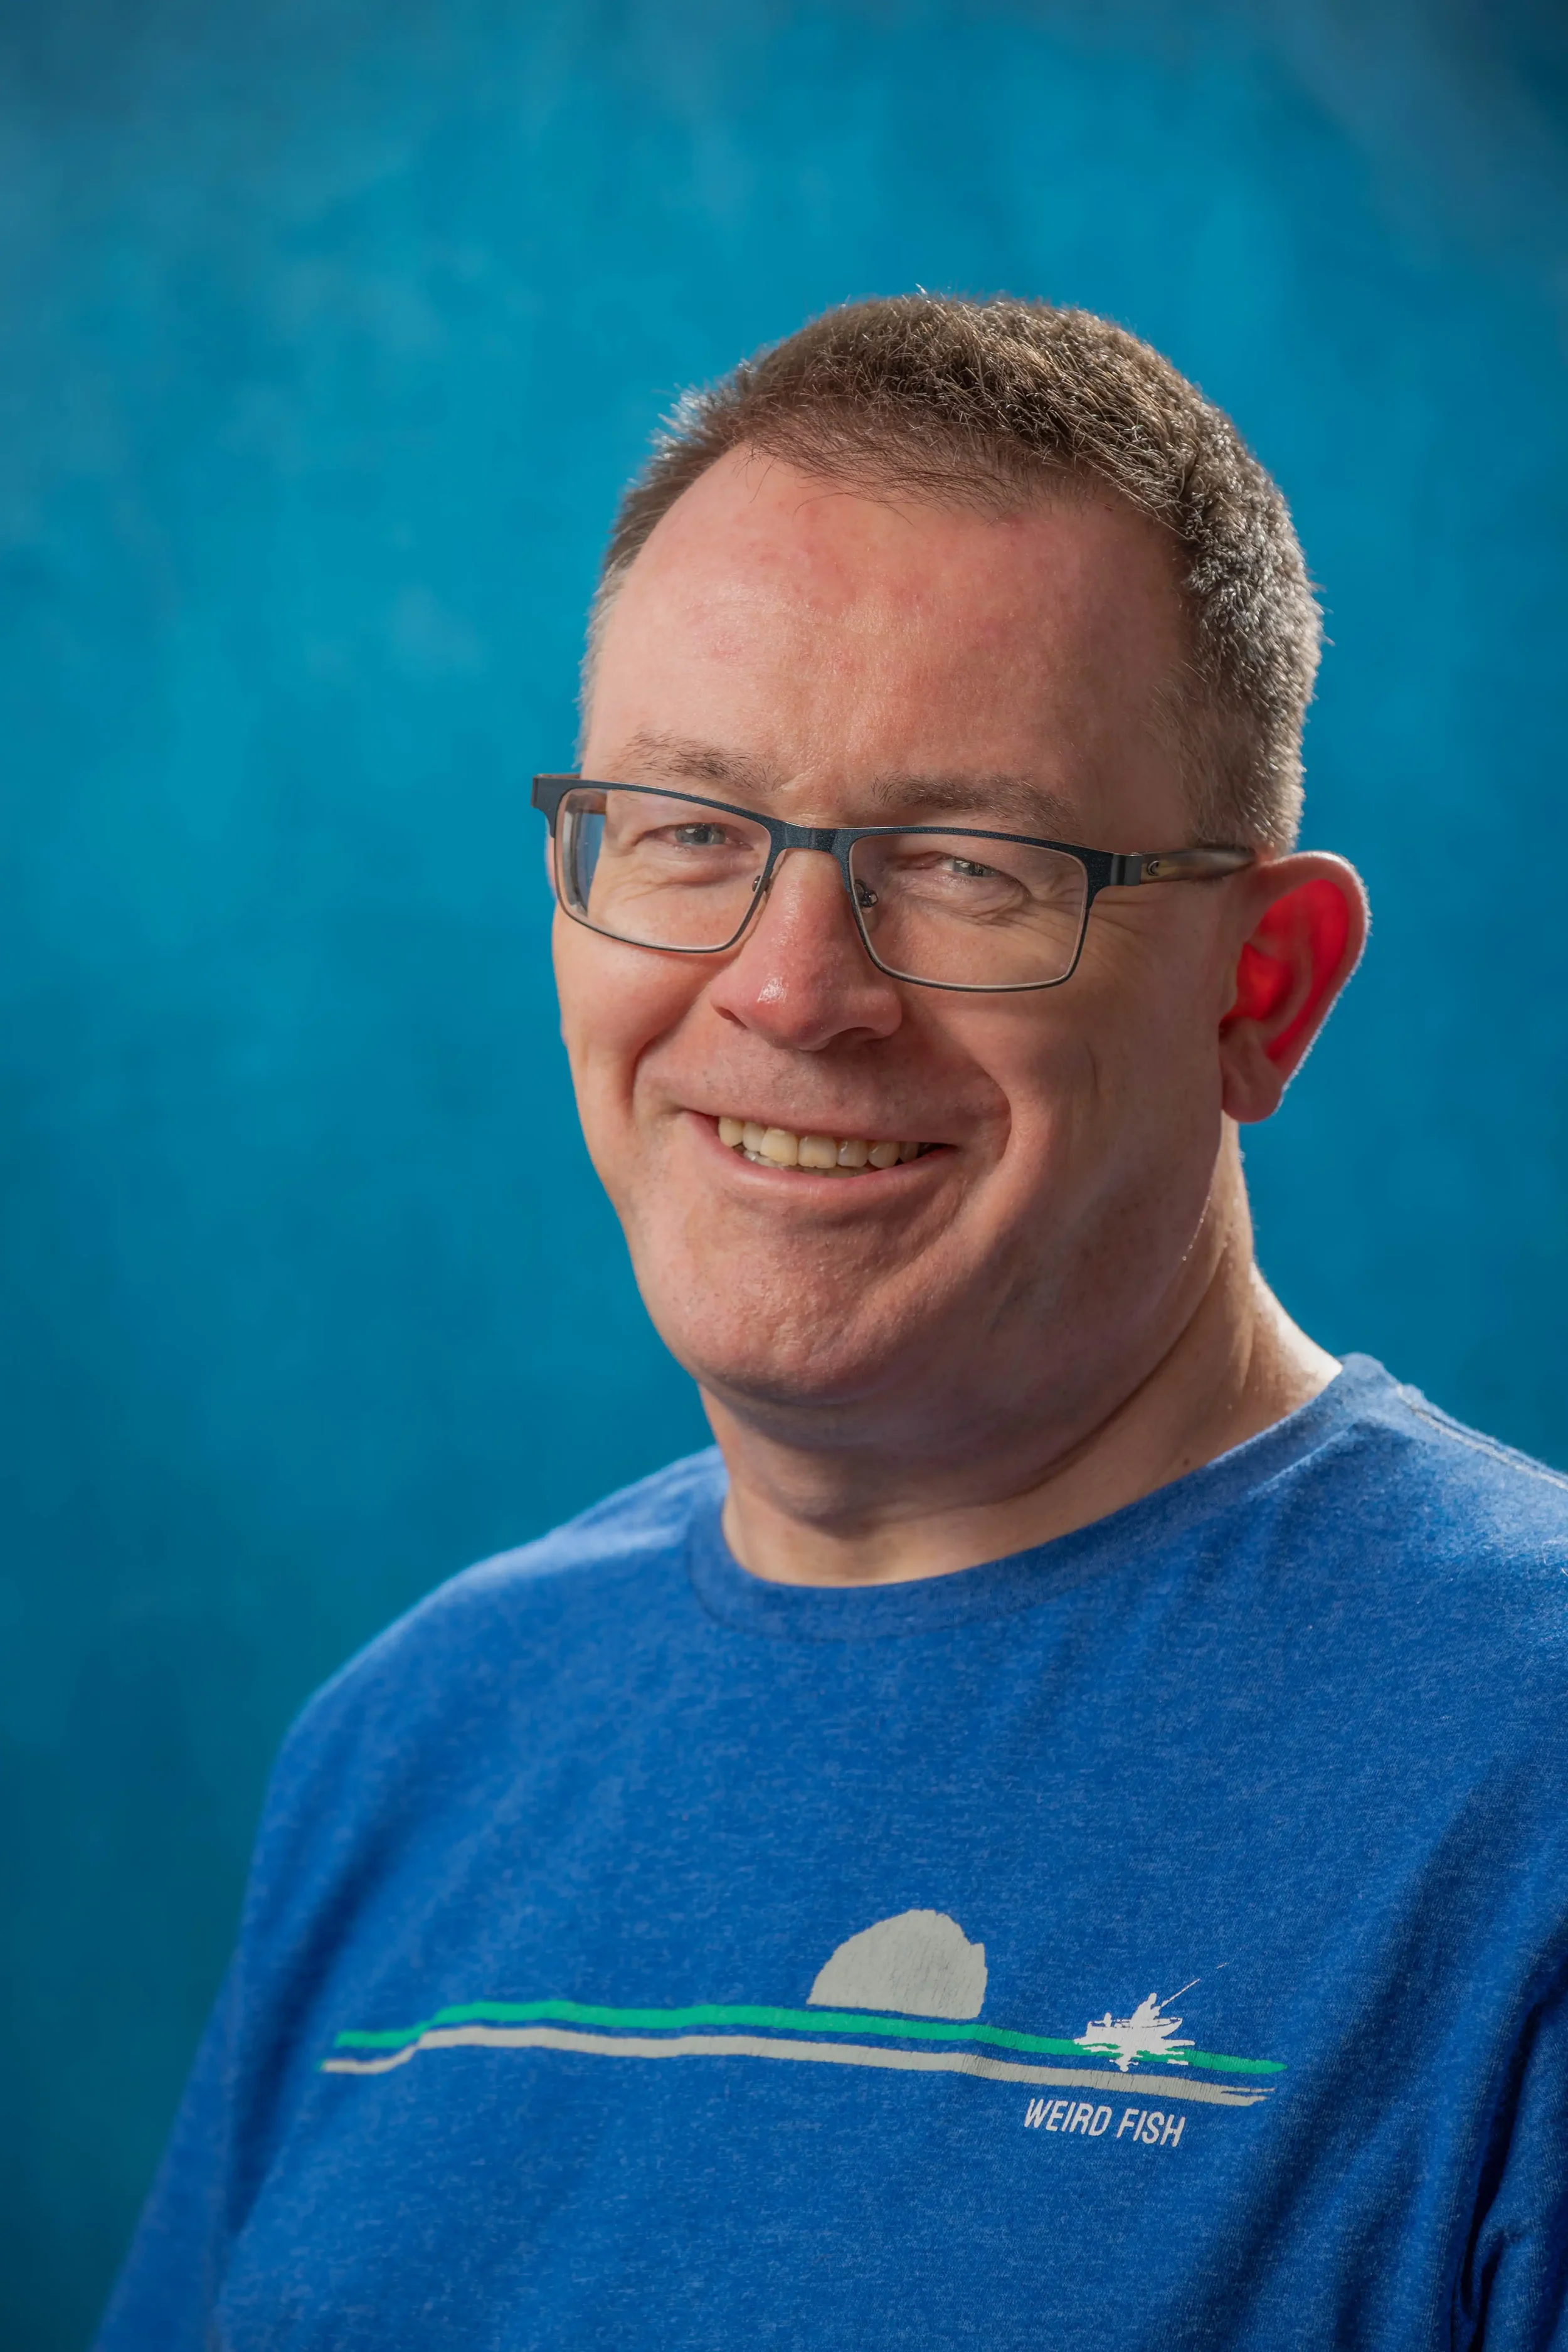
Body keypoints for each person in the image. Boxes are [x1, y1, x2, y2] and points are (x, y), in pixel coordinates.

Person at [97, 297, 1568, 2351]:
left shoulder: (1526, 1771)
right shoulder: (413, 1743)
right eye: (687, 832)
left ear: (1266, 987)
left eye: (964, 862)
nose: (789, 991)